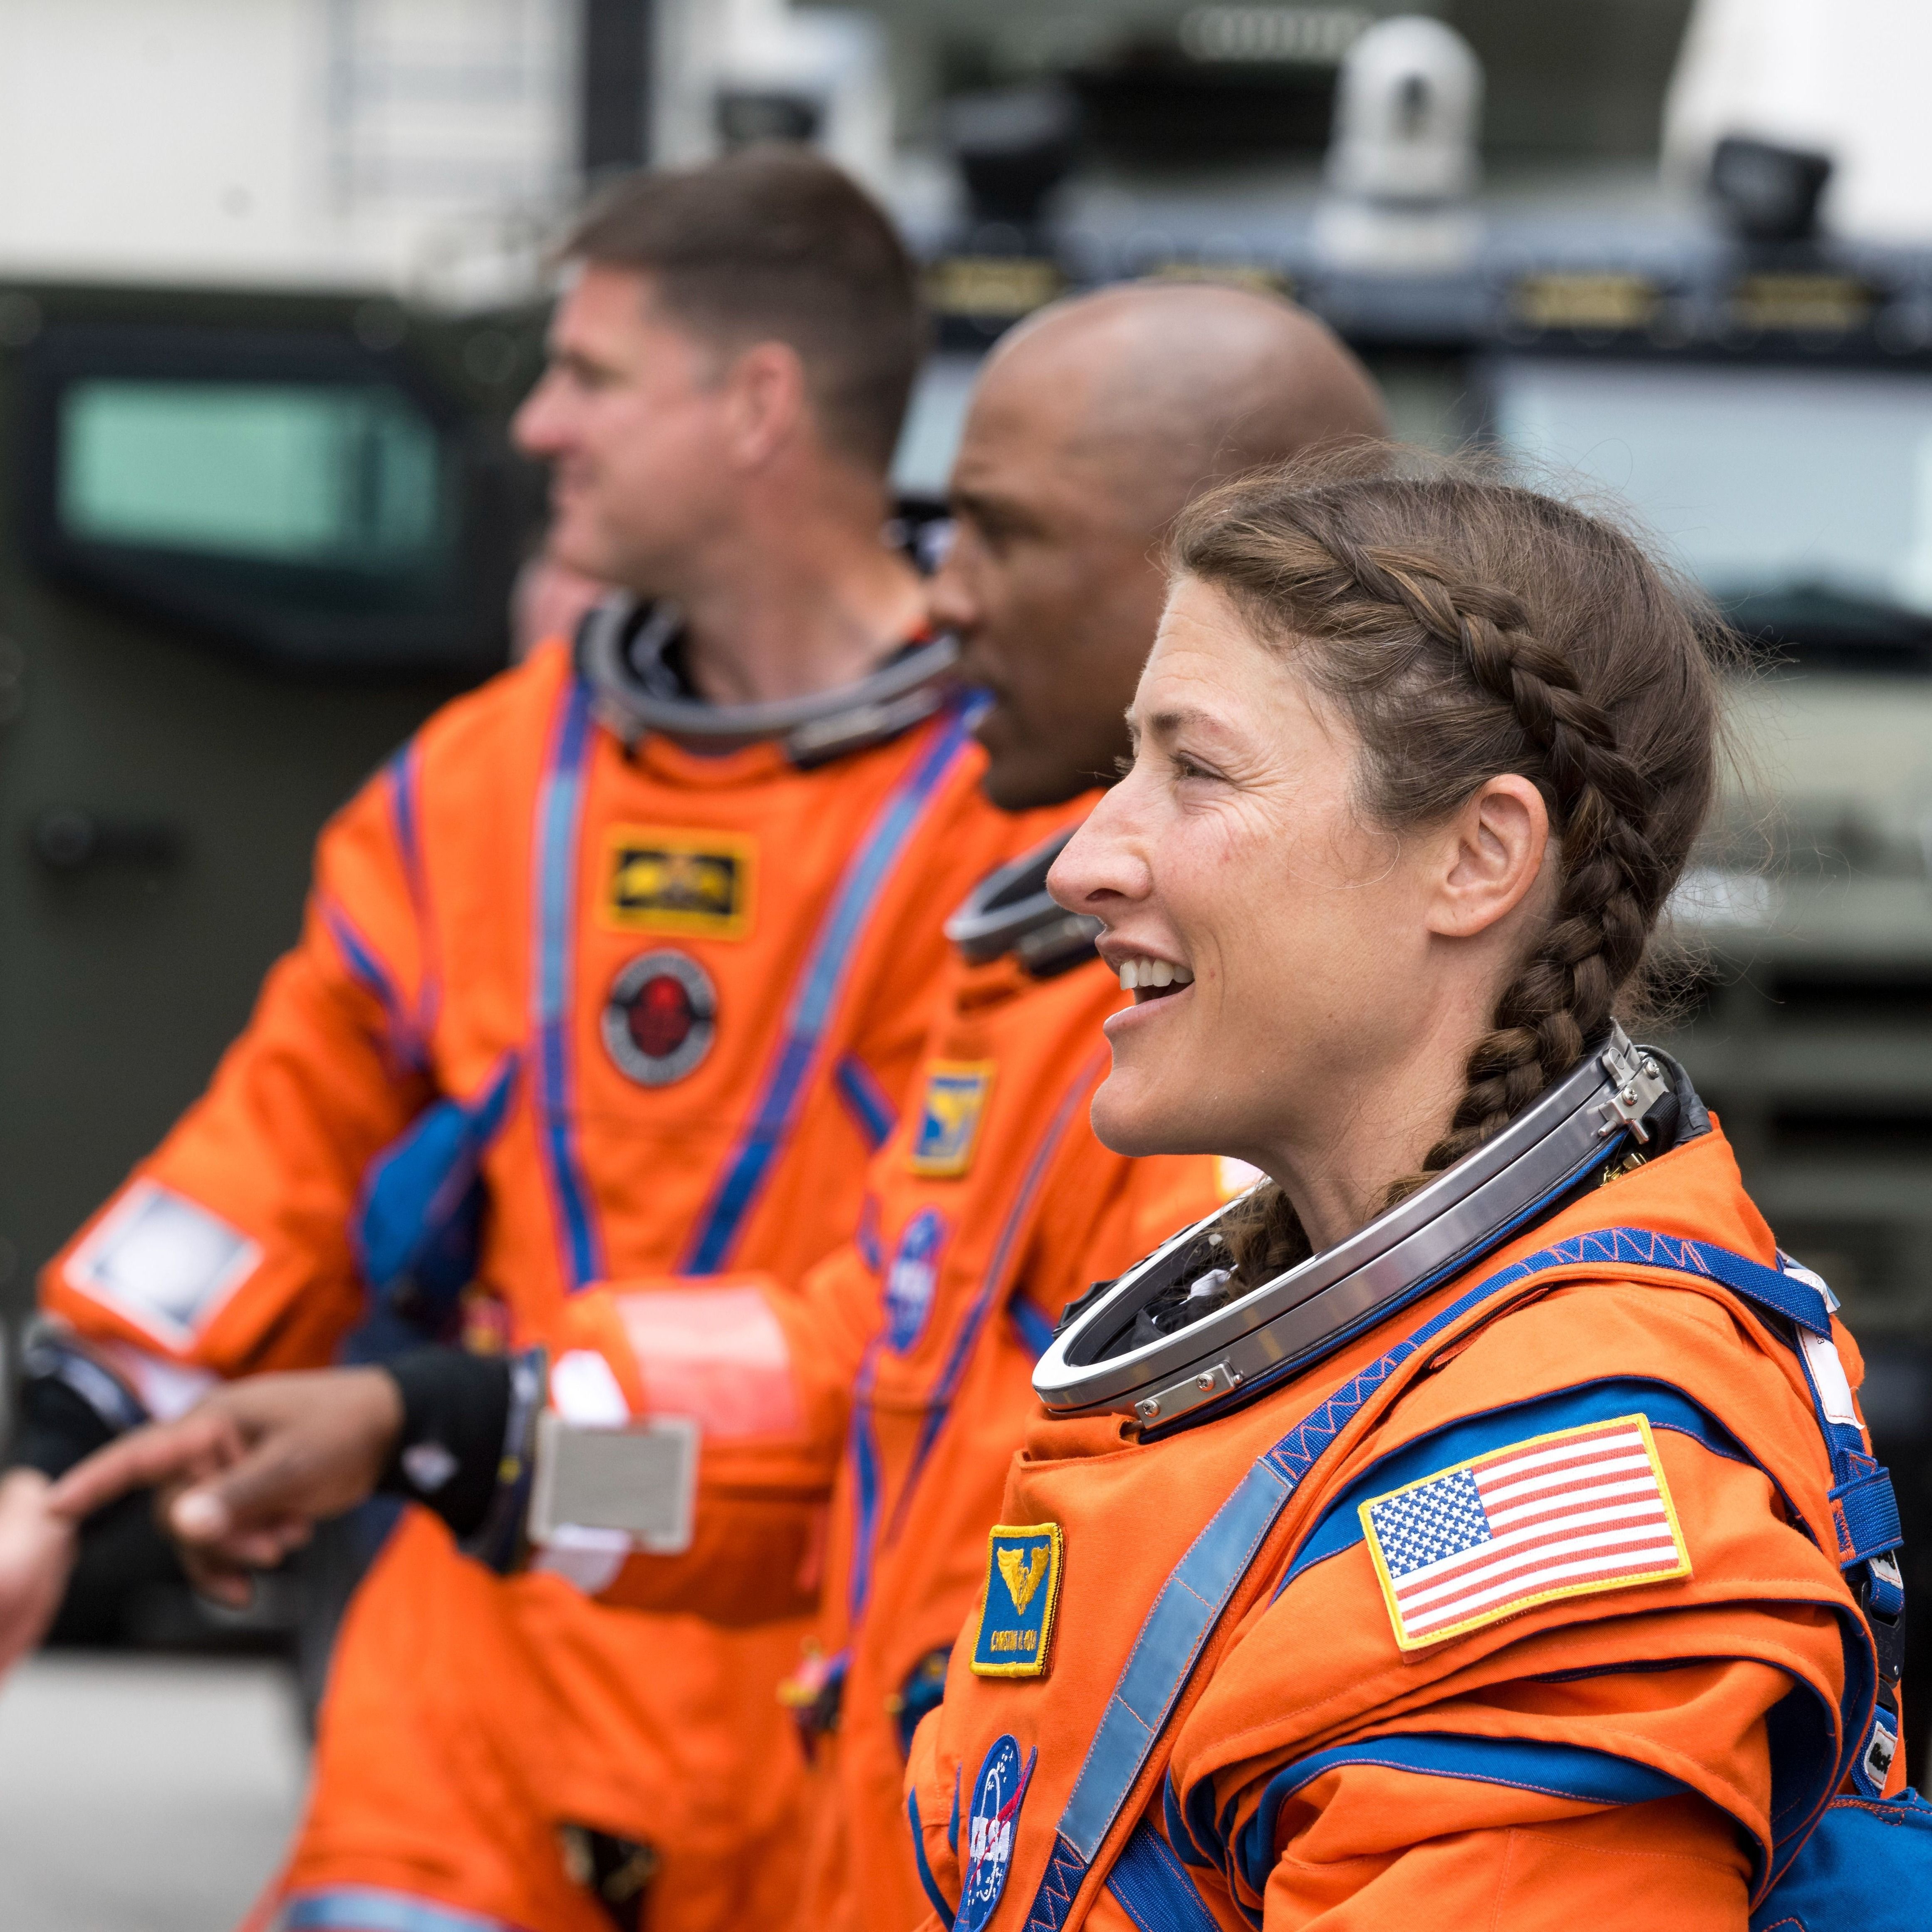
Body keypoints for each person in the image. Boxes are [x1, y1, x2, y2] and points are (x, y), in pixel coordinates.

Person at [43, 287, 1391, 1932]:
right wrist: (448, 1431)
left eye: (999, 535)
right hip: (570, 1736)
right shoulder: (1031, 979)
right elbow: (852, 1406)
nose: (943, 597)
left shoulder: (1270, 1085)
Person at [0, 146, 1023, 1932]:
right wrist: (57, 1448)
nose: (538, 425)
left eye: (591, 376)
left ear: (758, 405)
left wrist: (448, 1420)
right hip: (474, 1712)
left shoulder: (1024, 815)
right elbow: (282, 1134)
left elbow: (942, 1307)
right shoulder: (487, 778)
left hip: (835, 1687)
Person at [889, 455, 1905, 1930]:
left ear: (1477, 857)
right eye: (1126, 762)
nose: (1081, 860)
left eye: (1195, 769)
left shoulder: (1553, 1514)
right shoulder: (1385, 1356)